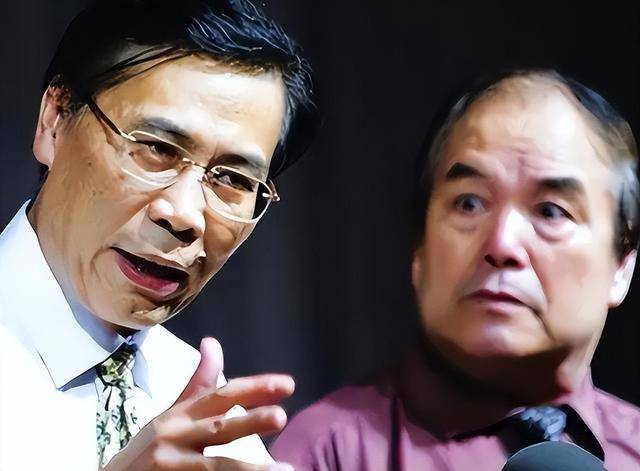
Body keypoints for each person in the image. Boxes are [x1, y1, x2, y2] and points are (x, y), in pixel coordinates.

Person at [0, 0, 318, 469]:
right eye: (156, 148)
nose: (185, 215)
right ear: (55, 118)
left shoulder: (208, 412)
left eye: (233, 179)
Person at [270, 69, 640, 470]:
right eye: (469, 203)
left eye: (551, 211)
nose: (502, 244)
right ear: (419, 250)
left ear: (622, 265)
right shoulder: (326, 454)